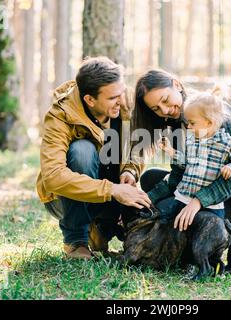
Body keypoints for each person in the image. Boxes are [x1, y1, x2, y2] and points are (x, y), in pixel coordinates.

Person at [131, 69, 231, 273]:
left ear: (177, 85)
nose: (165, 110)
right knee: (151, 179)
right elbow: (178, 174)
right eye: (157, 109)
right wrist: (145, 203)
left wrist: (197, 202)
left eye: (166, 100)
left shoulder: (214, 113)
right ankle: (188, 248)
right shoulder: (179, 127)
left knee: (184, 214)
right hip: (202, 187)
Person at [36, 57, 151, 260]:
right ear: (90, 100)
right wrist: (112, 189)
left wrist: (130, 170)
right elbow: (52, 176)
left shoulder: (124, 101)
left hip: (110, 192)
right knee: (82, 151)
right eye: (113, 97)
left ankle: (101, 229)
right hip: (64, 201)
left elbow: (140, 142)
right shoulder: (60, 115)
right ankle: (76, 241)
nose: (121, 99)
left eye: (122, 92)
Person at [154, 90, 231, 230]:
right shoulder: (191, 140)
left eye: (192, 123)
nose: (188, 127)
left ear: (209, 122)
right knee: (165, 221)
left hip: (210, 205)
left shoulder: (226, 143)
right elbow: (186, 163)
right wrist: (172, 152)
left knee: (211, 229)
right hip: (184, 196)